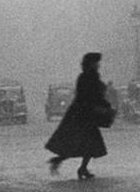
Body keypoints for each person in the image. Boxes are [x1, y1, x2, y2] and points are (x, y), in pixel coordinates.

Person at [44, 52, 112, 180]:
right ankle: (76, 166)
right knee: (85, 143)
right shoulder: (88, 77)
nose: (98, 65)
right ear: (91, 64)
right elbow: (91, 95)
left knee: (84, 143)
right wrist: (103, 103)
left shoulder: (86, 76)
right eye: (96, 63)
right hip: (83, 115)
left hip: (81, 114)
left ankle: (74, 165)